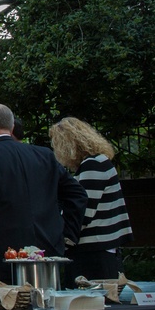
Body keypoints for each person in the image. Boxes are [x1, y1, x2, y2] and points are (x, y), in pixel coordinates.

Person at [0, 103, 88, 287]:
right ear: (12, 128)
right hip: (46, 254)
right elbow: (77, 194)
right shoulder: (44, 156)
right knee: (47, 309)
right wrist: (66, 235)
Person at [49, 117, 134, 287]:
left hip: (92, 251)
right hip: (101, 250)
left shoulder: (92, 166)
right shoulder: (100, 162)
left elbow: (82, 212)